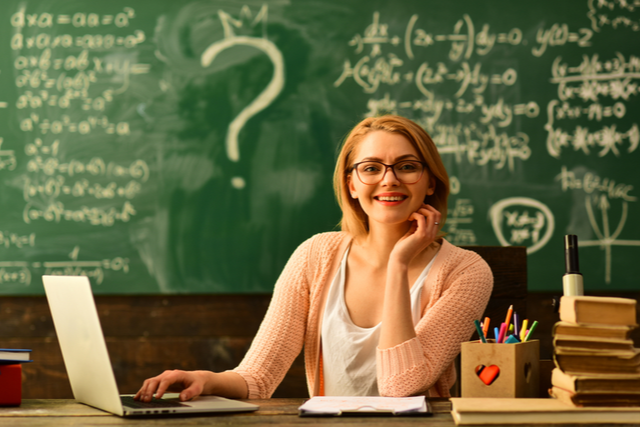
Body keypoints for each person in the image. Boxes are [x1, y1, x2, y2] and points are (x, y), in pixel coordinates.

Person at [135, 115, 493, 402]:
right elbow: (258, 378)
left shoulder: (466, 272)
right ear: (351, 184)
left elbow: (400, 387)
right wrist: (204, 379)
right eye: (370, 168)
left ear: (430, 182)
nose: (389, 180)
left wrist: (399, 264)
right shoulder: (316, 255)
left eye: (407, 166)